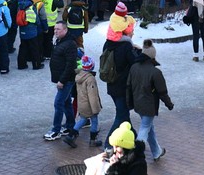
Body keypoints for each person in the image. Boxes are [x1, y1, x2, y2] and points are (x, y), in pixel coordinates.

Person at [127, 41, 173, 162]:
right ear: (152, 56)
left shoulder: (134, 67)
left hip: (138, 104)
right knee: (145, 128)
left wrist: (129, 103)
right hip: (149, 106)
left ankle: (156, 152)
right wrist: (169, 104)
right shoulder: (155, 72)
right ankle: (135, 153)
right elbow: (162, 92)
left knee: (149, 127)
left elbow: (128, 86)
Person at [101, 13, 139, 149]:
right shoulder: (126, 46)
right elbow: (134, 63)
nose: (133, 33)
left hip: (111, 85)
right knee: (121, 116)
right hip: (122, 87)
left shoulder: (108, 43)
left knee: (124, 115)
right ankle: (108, 144)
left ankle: (136, 139)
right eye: (132, 30)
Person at [63, 55, 104, 148]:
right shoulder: (90, 79)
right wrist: (95, 109)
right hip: (89, 105)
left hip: (81, 103)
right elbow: (92, 96)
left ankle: (70, 136)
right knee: (94, 121)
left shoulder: (79, 76)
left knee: (82, 120)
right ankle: (93, 140)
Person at [47, 22, 77, 140]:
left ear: (65, 30)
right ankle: (70, 125)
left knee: (58, 103)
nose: (55, 31)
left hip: (66, 80)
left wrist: (62, 81)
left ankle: (56, 130)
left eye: (58, 29)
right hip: (62, 78)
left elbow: (70, 65)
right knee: (66, 102)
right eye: (55, 29)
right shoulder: (60, 41)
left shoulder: (69, 44)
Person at [16, 0, 45, 70]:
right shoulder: (31, 6)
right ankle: (36, 65)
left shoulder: (19, 5)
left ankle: (21, 65)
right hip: (31, 31)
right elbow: (36, 19)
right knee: (34, 48)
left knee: (23, 48)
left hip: (22, 30)